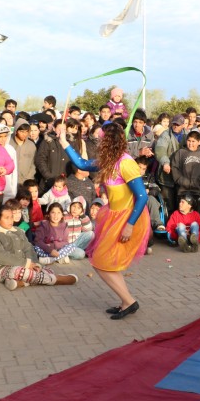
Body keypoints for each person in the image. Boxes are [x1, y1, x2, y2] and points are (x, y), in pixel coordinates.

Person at [56, 122, 150, 319]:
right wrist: (64, 141)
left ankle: (130, 301)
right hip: (113, 216)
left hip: (126, 218)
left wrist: (130, 225)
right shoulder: (107, 160)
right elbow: (81, 164)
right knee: (105, 263)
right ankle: (125, 301)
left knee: (100, 262)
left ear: (108, 142)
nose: (98, 141)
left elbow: (142, 196)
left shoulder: (125, 163)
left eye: (101, 139)